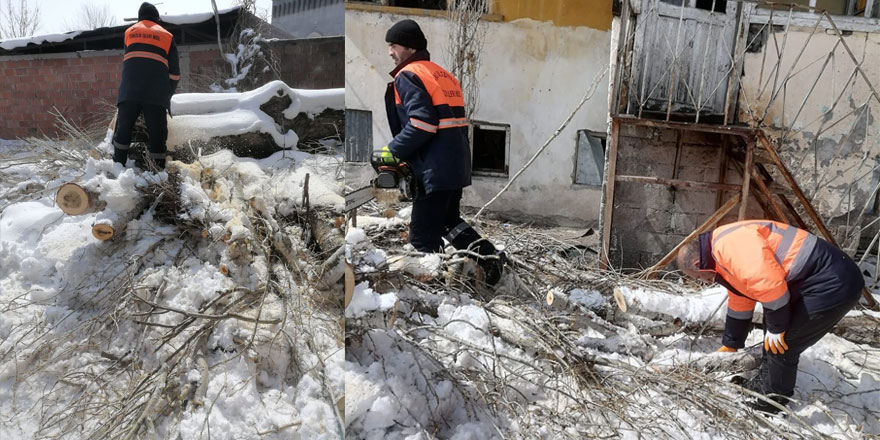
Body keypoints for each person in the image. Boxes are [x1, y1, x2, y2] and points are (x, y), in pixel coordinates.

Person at [676, 220, 864, 413]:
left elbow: (770, 287)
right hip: (812, 279)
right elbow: (741, 297)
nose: (703, 282)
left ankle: (772, 403)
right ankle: (763, 387)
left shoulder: (728, 247)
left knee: (784, 342)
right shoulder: (719, 252)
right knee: (774, 334)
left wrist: (776, 328)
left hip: (832, 281)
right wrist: (732, 342)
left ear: (698, 264)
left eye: (698, 277)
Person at [380, 19, 503, 285]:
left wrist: (390, 153)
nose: (390, 52)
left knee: (422, 237)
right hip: (455, 165)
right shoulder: (441, 74)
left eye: (393, 45)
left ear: (410, 48)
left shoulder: (408, 75)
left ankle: (434, 290)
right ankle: (490, 256)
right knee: (449, 221)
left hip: (433, 170)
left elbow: (422, 123)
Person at [112, 2, 180, 171]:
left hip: (129, 92)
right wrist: (168, 93)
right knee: (157, 135)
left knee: (123, 130)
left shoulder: (129, 32)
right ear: (157, 18)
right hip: (156, 94)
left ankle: (117, 167)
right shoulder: (167, 36)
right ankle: (157, 173)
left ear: (140, 17)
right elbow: (175, 73)